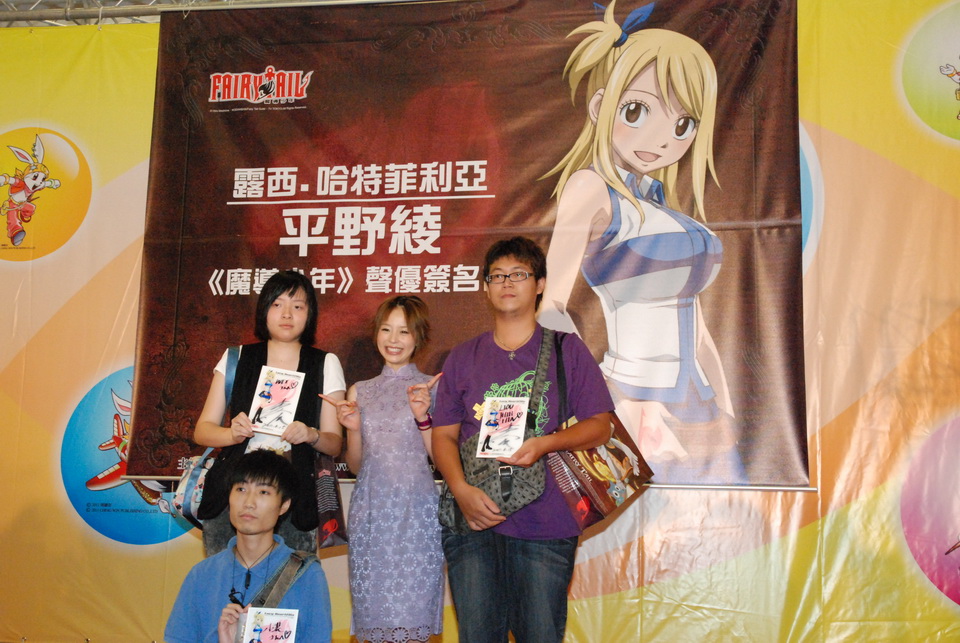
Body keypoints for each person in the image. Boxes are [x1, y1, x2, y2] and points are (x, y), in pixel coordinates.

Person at [540, 0, 743, 483]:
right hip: (631, 399)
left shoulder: (659, 201)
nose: (661, 138)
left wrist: (726, 406)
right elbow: (551, 309)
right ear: (600, 107)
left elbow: (695, 322)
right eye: (637, 111)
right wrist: (610, 401)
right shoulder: (590, 188)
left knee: (718, 513)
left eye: (682, 125)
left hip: (698, 400)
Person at [431, 236, 614, 642]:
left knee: (539, 634)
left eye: (519, 274)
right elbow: (442, 436)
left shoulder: (567, 350)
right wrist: (460, 490)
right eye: (497, 276)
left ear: (540, 284)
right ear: (485, 288)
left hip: (546, 521)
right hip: (474, 521)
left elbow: (600, 425)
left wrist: (544, 444)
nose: (507, 283)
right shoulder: (463, 357)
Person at [193, 270, 346, 555]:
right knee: (224, 577)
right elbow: (203, 431)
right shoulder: (237, 357)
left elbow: (334, 443)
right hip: (232, 494)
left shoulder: (325, 363)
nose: (287, 314)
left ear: (310, 314)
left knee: (287, 579)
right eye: (277, 304)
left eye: (297, 306)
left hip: (294, 498)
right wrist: (231, 434)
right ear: (264, 309)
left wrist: (311, 435)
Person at [321, 295, 444, 643]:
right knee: (373, 615)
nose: (393, 339)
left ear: (418, 337)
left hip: (417, 514)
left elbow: (442, 461)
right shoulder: (360, 390)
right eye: (386, 329)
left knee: (414, 617)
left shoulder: (431, 387)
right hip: (371, 514)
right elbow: (356, 466)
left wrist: (423, 416)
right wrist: (353, 428)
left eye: (404, 331)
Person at [165, 449, 332, 643]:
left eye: (263, 492)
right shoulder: (202, 575)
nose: (249, 503)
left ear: (284, 505)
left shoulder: (307, 575)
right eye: (241, 489)